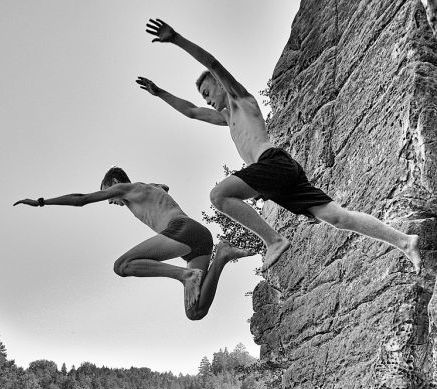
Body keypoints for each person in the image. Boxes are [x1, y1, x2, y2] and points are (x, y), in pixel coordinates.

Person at [137, 18, 421, 274]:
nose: (207, 100)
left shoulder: (241, 100)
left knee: (219, 196)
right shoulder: (226, 118)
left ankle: (274, 240)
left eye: (208, 93)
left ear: (221, 86)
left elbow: (213, 64)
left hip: (271, 162)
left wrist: (175, 39)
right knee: (336, 216)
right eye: (204, 97)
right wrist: (160, 93)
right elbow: (190, 111)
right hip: (281, 172)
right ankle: (405, 241)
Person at [14, 167, 251, 319]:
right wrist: (156, 186)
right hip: (198, 242)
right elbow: (164, 186)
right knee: (195, 311)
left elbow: (82, 200)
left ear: (115, 182)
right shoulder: (147, 189)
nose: (109, 201)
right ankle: (221, 256)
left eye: (107, 193)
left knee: (122, 266)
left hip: (183, 230)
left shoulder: (127, 188)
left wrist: (41, 202)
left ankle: (184, 276)